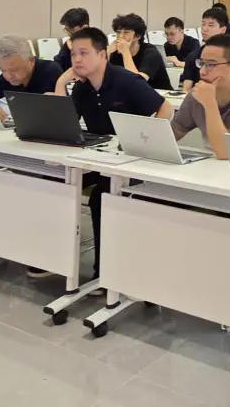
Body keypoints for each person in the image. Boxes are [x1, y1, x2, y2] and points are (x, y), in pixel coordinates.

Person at [55, 27, 173, 285]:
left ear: (102, 55)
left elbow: (166, 108)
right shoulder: (82, 88)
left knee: (102, 196)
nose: (77, 59)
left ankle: (105, 271)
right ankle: (56, 259)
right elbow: (64, 126)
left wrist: (146, 143)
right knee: (54, 183)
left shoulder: (126, 81)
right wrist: (61, 83)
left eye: (84, 53)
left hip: (132, 163)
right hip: (99, 160)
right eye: (73, 54)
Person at [0, 34, 62, 121]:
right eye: (3, 70)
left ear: (31, 61)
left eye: (15, 70)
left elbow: (60, 113)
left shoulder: (50, 72)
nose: (9, 76)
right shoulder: (7, 78)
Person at [109, 12, 172, 90]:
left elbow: (137, 83)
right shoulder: (116, 53)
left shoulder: (151, 53)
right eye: (118, 32)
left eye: (126, 32)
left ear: (137, 36)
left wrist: (125, 52)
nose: (120, 36)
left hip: (159, 94)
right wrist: (107, 53)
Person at [181, 7, 229, 93]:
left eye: (210, 25)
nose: (204, 29)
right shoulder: (193, 56)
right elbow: (186, 89)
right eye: (203, 24)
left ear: (223, 29)